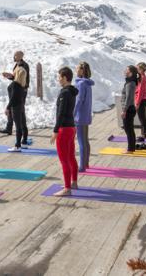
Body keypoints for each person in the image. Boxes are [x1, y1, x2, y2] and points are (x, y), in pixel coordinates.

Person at [50, 67, 79, 196]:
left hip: (64, 129)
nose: (58, 79)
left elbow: (61, 113)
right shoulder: (72, 92)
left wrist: (56, 131)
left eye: (59, 77)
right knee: (71, 157)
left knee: (64, 160)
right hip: (71, 127)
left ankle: (67, 188)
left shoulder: (64, 93)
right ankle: (74, 182)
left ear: (65, 78)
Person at [0, 51, 30, 147]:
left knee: (19, 117)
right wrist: (10, 76)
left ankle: (18, 143)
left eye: (16, 55)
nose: (14, 56)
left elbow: (21, 77)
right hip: (17, 89)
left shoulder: (24, 66)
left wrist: (8, 107)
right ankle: (19, 135)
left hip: (19, 92)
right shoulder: (16, 66)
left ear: (20, 56)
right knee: (20, 115)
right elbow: (16, 77)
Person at [74, 61, 95, 172]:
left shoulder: (81, 84)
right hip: (86, 115)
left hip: (80, 116)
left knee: (81, 141)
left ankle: (82, 166)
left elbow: (79, 100)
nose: (76, 70)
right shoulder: (87, 84)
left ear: (82, 70)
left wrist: (73, 114)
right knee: (85, 140)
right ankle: (86, 163)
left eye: (77, 68)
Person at [7, 66, 28, 152]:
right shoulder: (21, 84)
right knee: (22, 124)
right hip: (21, 105)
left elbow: (13, 97)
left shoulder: (15, 84)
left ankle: (17, 145)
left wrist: (8, 107)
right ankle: (23, 143)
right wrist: (10, 77)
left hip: (15, 106)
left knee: (18, 126)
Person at [121, 65, 139, 154]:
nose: (125, 71)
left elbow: (128, 98)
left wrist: (124, 110)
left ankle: (130, 149)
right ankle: (131, 148)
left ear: (131, 73)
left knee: (128, 129)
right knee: (129, 129)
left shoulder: (130, 83)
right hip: (130, 108)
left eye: (127, 70)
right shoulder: (130, 82)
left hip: (128, 109)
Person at [135, 62, 146, 141]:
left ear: (141, 69)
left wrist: (137, 103)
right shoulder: (141, 77)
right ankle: (144, 134)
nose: (136, 70)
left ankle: (143, 135)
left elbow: (141, 92)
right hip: (141, 100)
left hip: (141, 100)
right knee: (142, 118)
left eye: (137, 68)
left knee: (142, 118)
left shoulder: (143, 78)